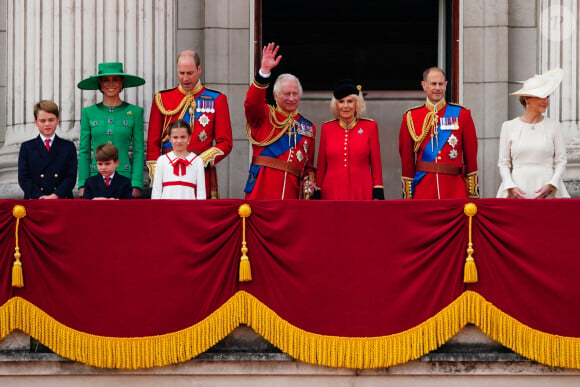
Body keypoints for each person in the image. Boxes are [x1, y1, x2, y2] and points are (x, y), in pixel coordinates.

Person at [146, 50, 232, 199]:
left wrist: (199, 162)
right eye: (181, 73)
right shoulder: (162, 99)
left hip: (202, 171)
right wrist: (156, 174)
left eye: (190, 73)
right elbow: (153, 143)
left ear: (199, 70)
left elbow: (225, 142)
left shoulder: (217, 99)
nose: (185, 78)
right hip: (168, 171)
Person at [244, 43, 316, 199]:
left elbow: (308, 166)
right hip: (262, 190)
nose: (291, 98)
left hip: (291, 193)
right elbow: (251, 102)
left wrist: (309, 182)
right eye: (287, 94)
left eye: (295, 94)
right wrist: (264, 72)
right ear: (276, 96)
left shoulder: (308, 127)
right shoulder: (263, 116)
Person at [398, 67, 479, 199]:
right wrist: (408, 194)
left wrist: (472, 192)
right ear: (424, 85)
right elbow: (406, 159)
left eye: (441, 84)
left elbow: (471, 155)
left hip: (454, 189)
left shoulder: (462, 114)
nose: (437, 88)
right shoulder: (411, 116)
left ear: (446, 85)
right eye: (433, 84)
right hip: (424, 188)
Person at [497, 68, 569, 199]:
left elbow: (561, 161)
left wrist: (552, 184)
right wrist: (510, 186)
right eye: (540, 96)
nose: (545, 101)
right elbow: (503, 163)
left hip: (549, 191)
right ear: (527, 99)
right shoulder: (509, 126)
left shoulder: (554, 126)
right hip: (517, 190)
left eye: (546, 96)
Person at [77, 62, 145, 199]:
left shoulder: (135, 112)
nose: (110, 84)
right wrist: (82, 183)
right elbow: (84, 150)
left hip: (124, 179)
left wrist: (137, 183)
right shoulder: (88, 113)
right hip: (95, 179)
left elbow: (138, 150)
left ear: (122, 83)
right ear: (100, 84)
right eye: (105, 80)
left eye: (116, 79)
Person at [316, 79, 384, 200]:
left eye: (350, 101)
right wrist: (318, 190)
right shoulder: (327, 128)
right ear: (336, 105)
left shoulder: (370, 126)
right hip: (332, 191)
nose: (345, 106)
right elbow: (321, 165)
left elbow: (376, 164)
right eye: (341, 102)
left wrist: (378, 189)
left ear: (357, 104)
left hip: (362, 190)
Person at [18, 100, 78, 199]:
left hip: (61, 199)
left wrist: (56, 195)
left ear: (57, 120)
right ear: (36, 122)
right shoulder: (27, 147)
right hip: (35, 200)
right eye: (42, 121)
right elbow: (23, 178)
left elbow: (71, 177)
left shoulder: (68, 146)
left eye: (51, 120)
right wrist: (39, 196)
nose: (47, 124)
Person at [151, 119, 206, 200]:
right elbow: (156, 191)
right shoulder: (162, 160)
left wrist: (199, 211)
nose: (179, 141)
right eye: (175, 137)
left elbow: (201, 192)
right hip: (166, 208)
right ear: (169, 138)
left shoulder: (197, 161)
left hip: (189, 208)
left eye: (183, 137)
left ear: (189, 138)